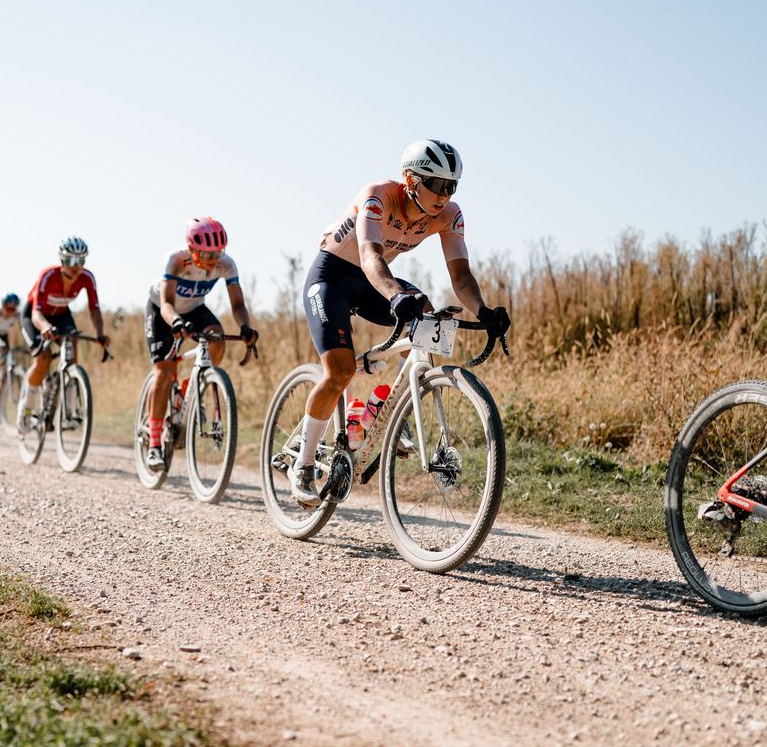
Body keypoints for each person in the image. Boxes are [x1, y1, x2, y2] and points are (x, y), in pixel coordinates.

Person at [290, 139, 512, 504]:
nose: (444, 194)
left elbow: (461, 277)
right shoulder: (378, 196)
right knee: (340, 370)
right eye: (436, 184)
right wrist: (395, 294)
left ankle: (396, 412)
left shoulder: (449, 215)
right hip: (332, 277)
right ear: (410, 178)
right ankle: (304, 463)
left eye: (451, 186)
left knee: (426, 314)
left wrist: (484, 311)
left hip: (372, 280)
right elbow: (370, 255)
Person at [142, 217, 259, 470]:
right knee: (163, 371)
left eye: (218, 251)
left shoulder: (226, 265)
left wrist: (245, 327)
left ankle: (191, 386)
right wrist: (175, 322)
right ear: (192, 249)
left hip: (195, 309)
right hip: (163, 312)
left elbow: (237, 305)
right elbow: (166, 304)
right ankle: (153, 444)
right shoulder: (175, 260)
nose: (213, 258)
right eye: (207, 253)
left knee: (217, 338)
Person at [17, 237, 110, 430]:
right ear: (61, 260)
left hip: (61, 315)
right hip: (35, 316)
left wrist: (101, 333)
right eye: (71, 261)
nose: (76, 267)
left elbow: (94, 309)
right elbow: (36, 313)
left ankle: (70, 409)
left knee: (72, 350)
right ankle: (26, 408)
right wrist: (44, 328)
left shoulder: (87, 277)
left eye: (81, 261)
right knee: (43, 359)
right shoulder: (48, 275)